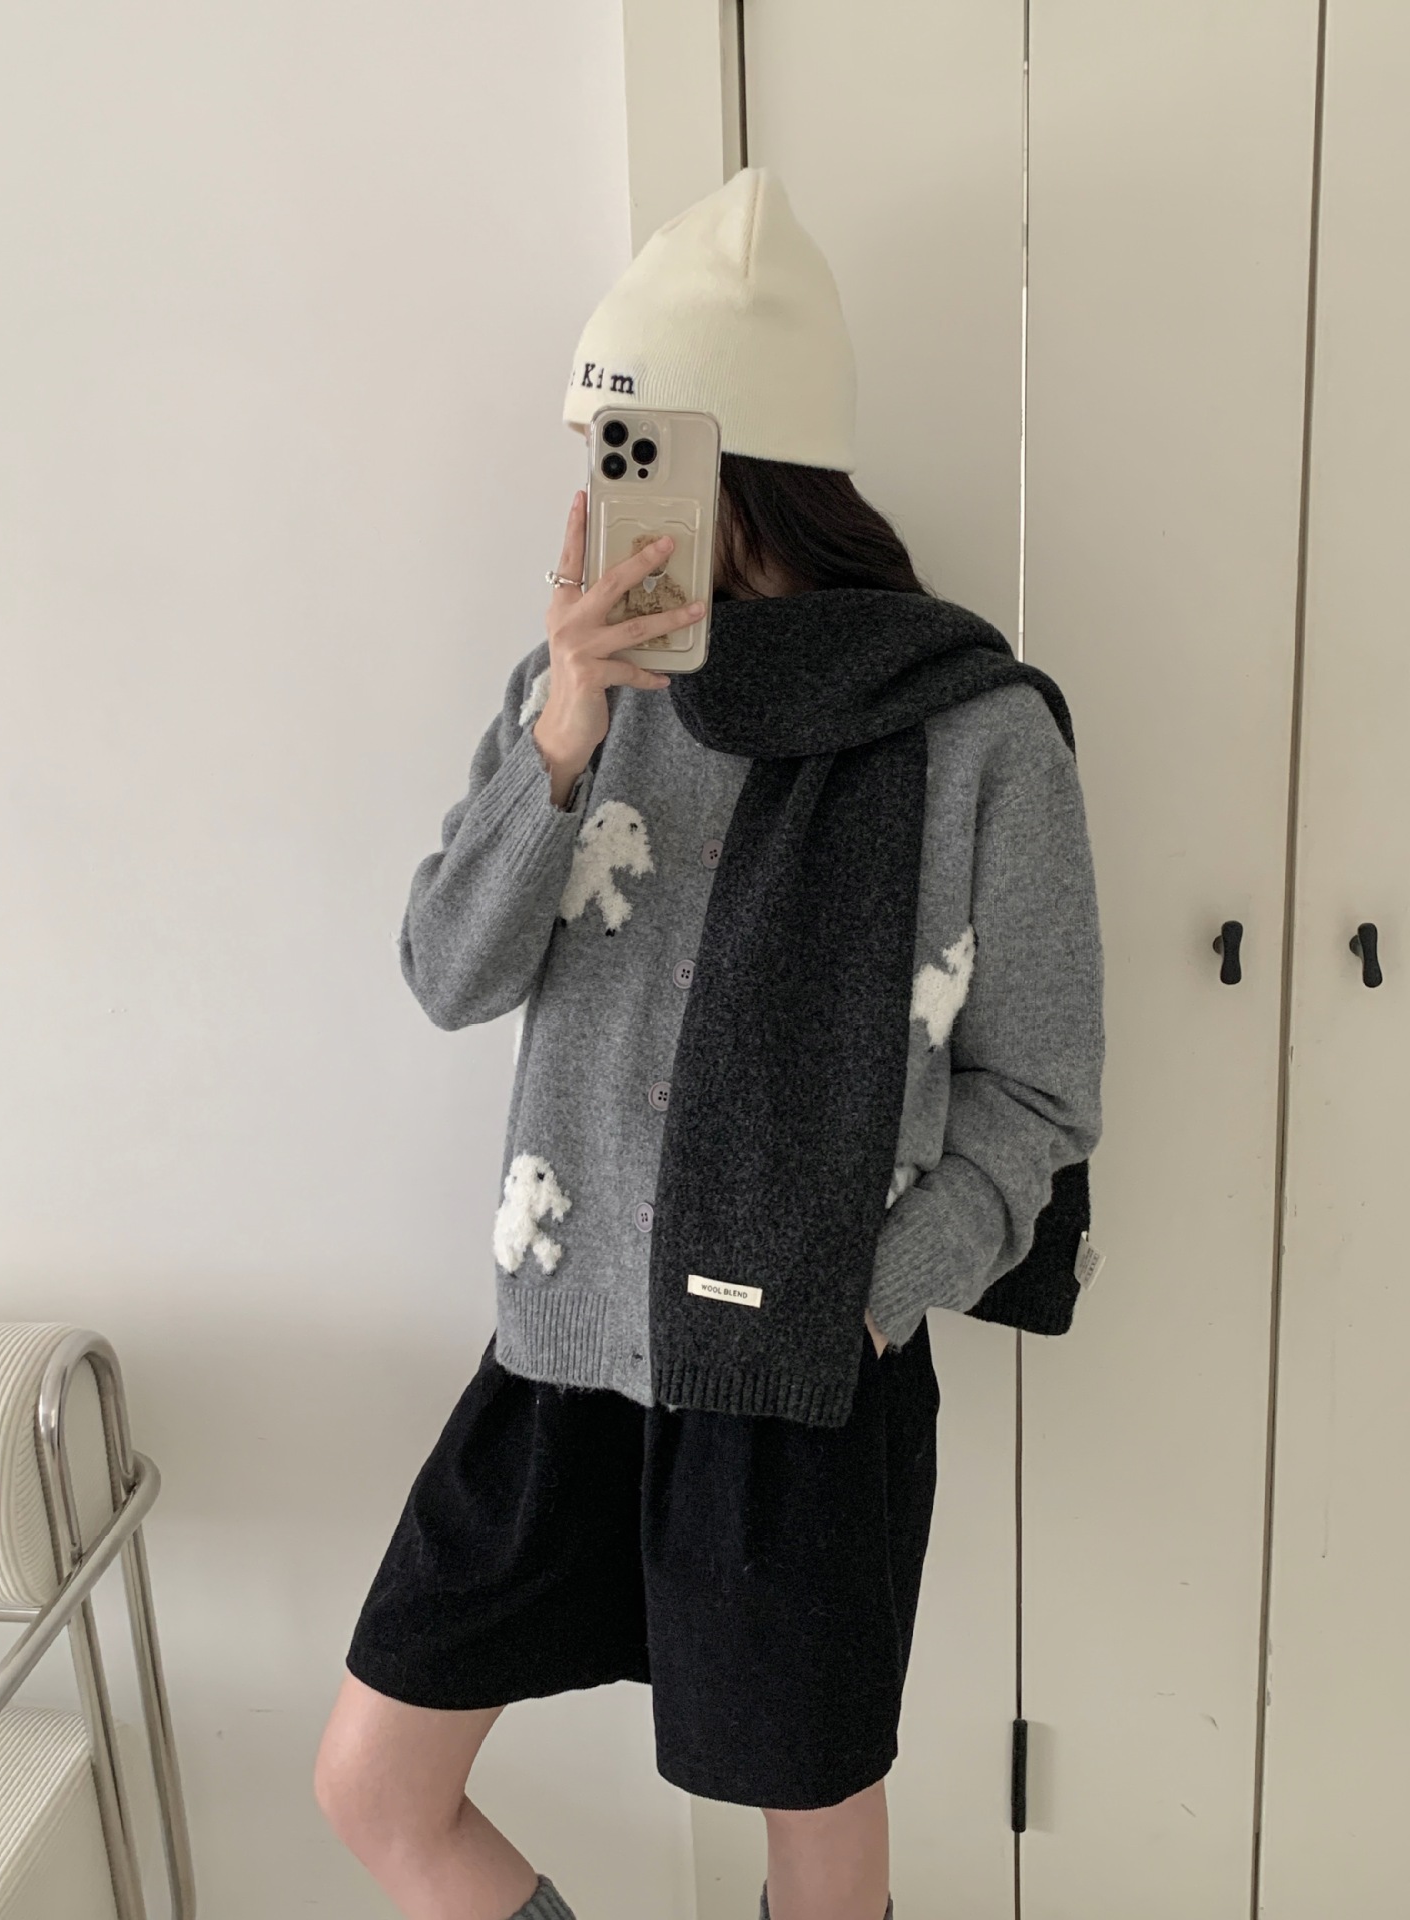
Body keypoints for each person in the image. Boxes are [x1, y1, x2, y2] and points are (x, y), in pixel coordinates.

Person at [313, 167, 1105, 1920]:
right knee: (376, 1786)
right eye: (594, 449)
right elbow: (448, 975)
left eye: (634, 448)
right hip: (564, 1356)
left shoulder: (971, 734)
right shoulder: (573, 698)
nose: (602, 494)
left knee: (821, 1874)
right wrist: (566, 735)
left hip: (801, 1381)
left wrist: (865, 1289)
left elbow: (1042, 1092)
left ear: (739, 461)